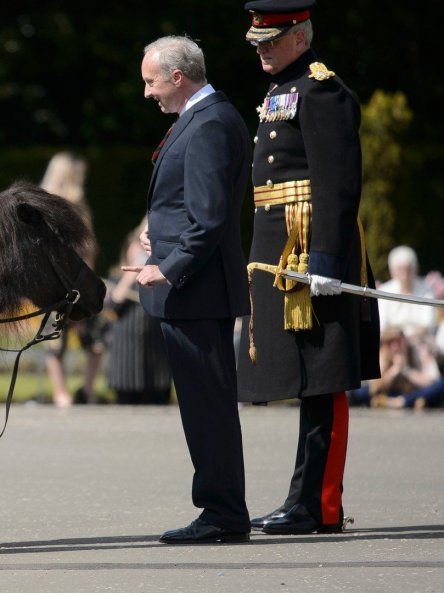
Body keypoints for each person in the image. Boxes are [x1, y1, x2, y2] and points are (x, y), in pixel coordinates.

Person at [236, 0, 381, 536]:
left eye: (271, 42)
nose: (263, 52)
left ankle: (319, 503)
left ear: (300, 35)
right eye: (257, 44)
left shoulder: (323, 90)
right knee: (303, 376)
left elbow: (337, 183)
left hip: (311, 249)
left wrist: (326, 259)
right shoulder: (281, 90)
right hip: (283, 248)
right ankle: (301, 497)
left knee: (325, 378)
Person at [125, 35, 251, 544]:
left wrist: (168, 266)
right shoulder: (203, 119)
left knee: (208, 410)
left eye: (152, 82)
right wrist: (160, 231)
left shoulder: (210, 123)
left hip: (196, 294)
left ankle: (222, 514)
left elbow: (212, 217)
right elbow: (192, 208)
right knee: (204, 408)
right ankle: (221, 509)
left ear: (178, 77)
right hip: (194, 292)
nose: (148, 93)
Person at [39, 151, 106, 406]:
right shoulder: (76, 203)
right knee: (93, 340)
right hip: (74, 279)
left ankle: (61, 393)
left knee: (54, 339)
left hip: (51, 282)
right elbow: (88, 249)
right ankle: (86, 390)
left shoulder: (41, 203)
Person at [106, 219, 172, 405]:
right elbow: (112, 308)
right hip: (127, 364)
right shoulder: (116, 278)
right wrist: (129, 277)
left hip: (156, 362)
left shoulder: (159, 278)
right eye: (137, 246)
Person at [377, 246, 437, 337]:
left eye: (408, 269)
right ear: (392, 271)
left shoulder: (426, 290)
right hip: (392, 341)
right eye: (400, 270)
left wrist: (408, 338)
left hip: (420, 340)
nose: (404, 275)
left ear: (415, 269)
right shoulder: (385, 291)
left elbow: (427, 324)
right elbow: (382, 325)